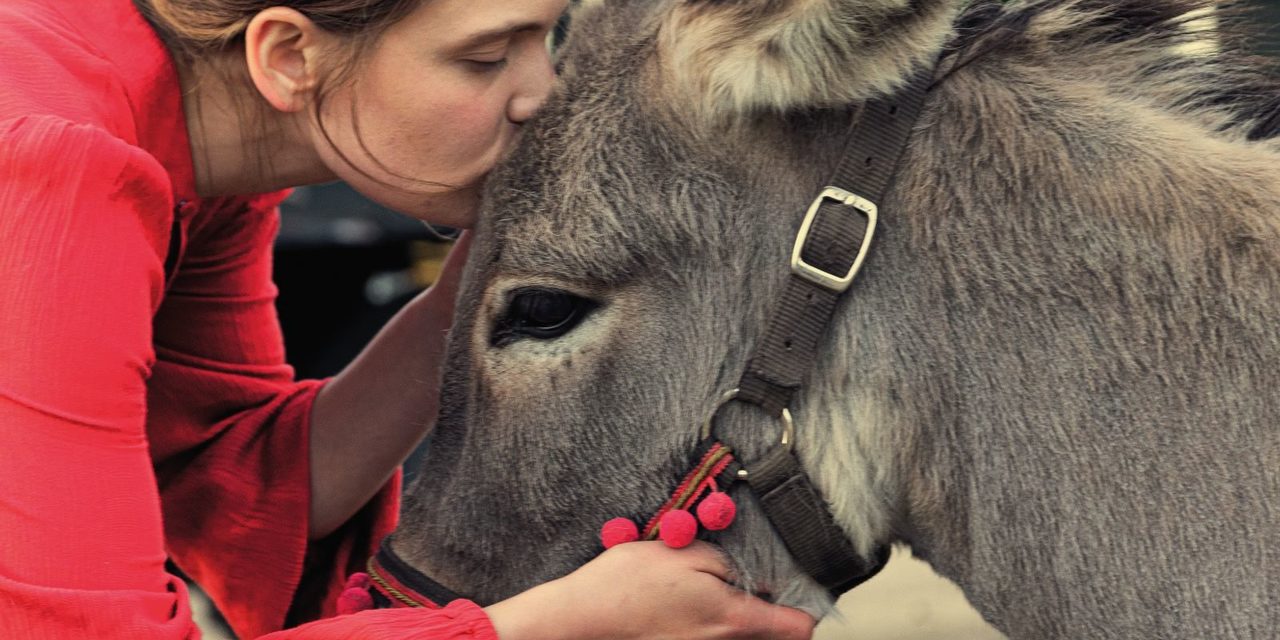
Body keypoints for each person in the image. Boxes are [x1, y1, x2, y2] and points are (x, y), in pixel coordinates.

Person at [0, 0, 818, 638]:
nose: (541, 96)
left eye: (547, 38)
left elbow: (227, 480)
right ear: (287, 56)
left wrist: (487, 286)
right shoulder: (46, 172)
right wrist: (548, 625)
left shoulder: (190, 145)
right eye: (486, 57)